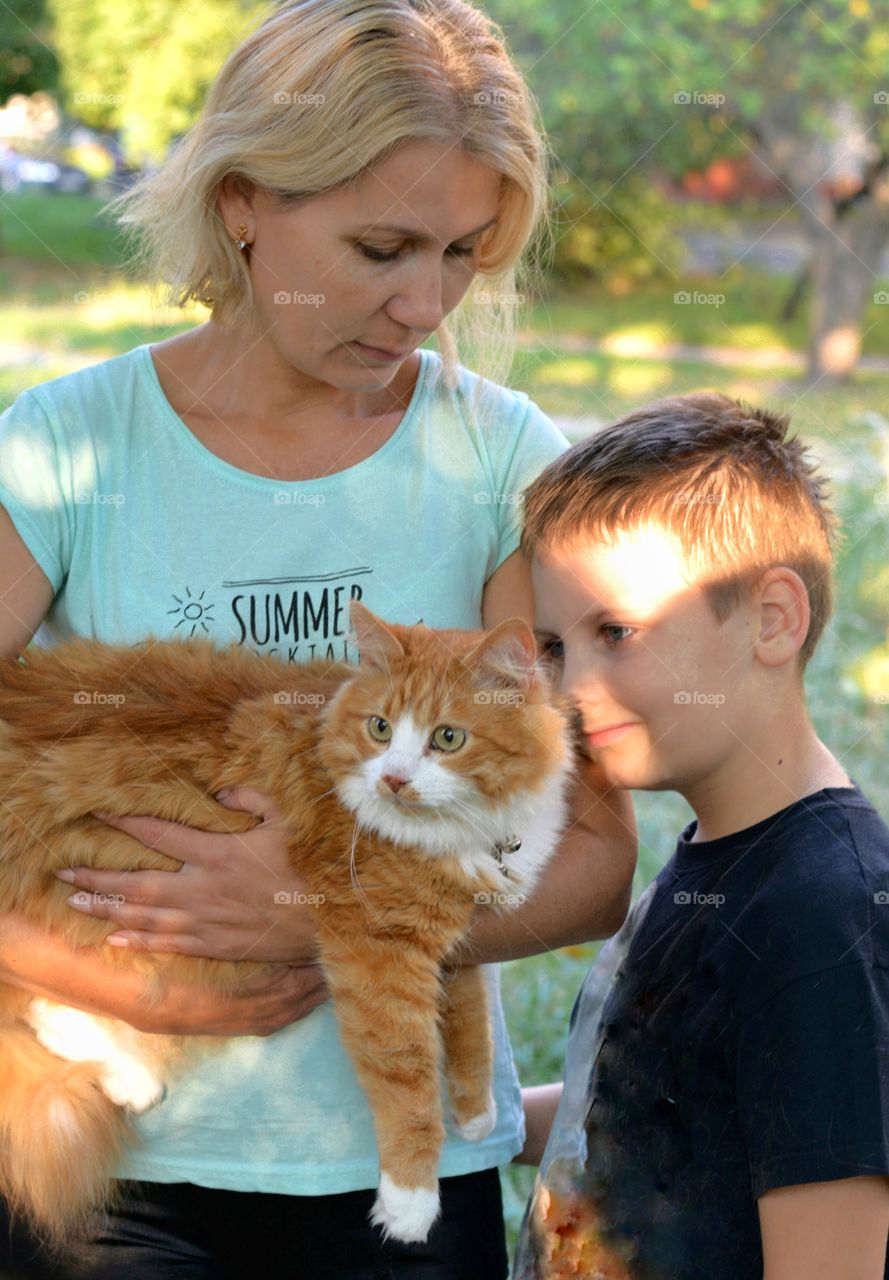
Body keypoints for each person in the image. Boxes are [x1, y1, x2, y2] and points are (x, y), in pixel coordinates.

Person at [0, 2, 637, 1277]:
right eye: (380, 245)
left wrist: (312, 912)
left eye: (463, 252)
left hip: (399, 1190)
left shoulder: (501, 461)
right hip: (109, 1181)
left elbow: (596, 861)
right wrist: (104, 981)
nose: (424, 301)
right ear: (243, 202)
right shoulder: (71, 445)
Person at [508, 390, 889, 1279]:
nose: (569, 687)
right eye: (555, 647)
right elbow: (676, 1105)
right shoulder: (728, 859)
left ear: (772, 619)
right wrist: (474, 1120)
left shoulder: (820, 915)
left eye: (617, 632)